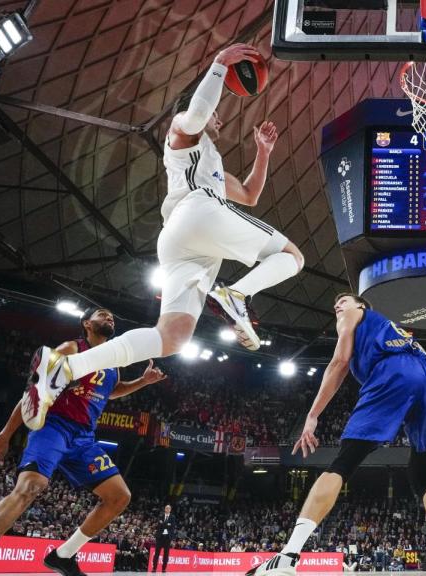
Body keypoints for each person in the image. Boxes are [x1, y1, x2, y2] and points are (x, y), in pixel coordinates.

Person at [21, 43, 303, 430]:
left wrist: (264, 152)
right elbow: (199, 112)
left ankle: (65, 368)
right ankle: (237, 294)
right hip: (196, 213)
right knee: (291, 256)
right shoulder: (182, 136)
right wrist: (220, 64)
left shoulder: (215, 165)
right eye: (214, 113)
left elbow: (251, 195)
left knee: (172, 338)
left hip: (183, 242)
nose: (217, 119)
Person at [247, 293, 426, 576]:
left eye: (343, 301)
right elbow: (415, 381)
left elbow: (339, 363)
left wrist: (312, 415)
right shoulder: (392, 329)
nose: (337, 306)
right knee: (422, 477)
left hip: (395, 373)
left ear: (361, 306)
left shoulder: (353, 316)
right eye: (335, 305)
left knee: (343, 462)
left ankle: (287, 556)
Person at [0, 308, 166, 576]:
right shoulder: (70, 349)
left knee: (119, 497)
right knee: (31, 485)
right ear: (87, 324)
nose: (110, 318)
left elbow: (112, 391)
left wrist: (142, 381)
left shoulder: (114, 362)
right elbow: (34, 392)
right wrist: (5, 435)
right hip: (54, 427)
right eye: (102, 315)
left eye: (112, 317)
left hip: (84, 438)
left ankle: (63, 556)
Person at [152, 504, 176, 572]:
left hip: (167, 538)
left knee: (166, 554)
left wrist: (163, 524)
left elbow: (172, 527)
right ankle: (154, 568)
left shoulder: (172, 517)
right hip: (160, 537)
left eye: (169, 508)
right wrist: (167, 524)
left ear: (170, 510)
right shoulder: (161, 516)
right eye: (166, 508)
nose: (167, 509)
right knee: (157, 553)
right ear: (165, 509)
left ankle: (164, 568)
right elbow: (159, 526)